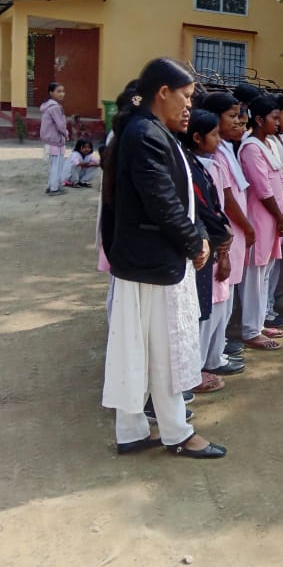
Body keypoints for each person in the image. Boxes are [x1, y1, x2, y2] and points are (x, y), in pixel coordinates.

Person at [100, 57, 226, 458]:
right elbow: (162, 203)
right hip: (154, 261)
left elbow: (176, 199)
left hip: (147, 260)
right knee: (164, 350)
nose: (189, 105)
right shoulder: (146, 134)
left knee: (141, 348)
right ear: (163, 92)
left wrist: (197, 235)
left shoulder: (150, 131)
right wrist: (195, 243)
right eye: (185, 96)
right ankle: (177, 433)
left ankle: (132, 430)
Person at [179, 109, 234, 393]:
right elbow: (202, 208)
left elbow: (213, 205)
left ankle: (198, 367)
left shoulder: (198, 164)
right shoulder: (188, 165)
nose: (219, 139)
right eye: (214, 134)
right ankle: (192, 372)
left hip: (211, 241)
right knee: (198, 310)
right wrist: (221, 234)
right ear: (198, 137)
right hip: (202, 244)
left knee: (207, 307)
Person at [200, 92, 253, 374]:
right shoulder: (214, 156)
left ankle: (217, 350)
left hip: (231, 232)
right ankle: (208, 359)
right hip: (224, 233)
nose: (238, 121)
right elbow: (227, 199)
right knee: (216, 297)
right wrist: (245, 225)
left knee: (226, 295)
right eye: (231, 116)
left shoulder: (226, 148)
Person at [238, 95, 283, 351]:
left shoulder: (271, 144)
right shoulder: (251, 148)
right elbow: (262, 189)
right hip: (260, 217)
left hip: (275, 217)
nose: (279, 123)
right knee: (254, 275)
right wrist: (280, 216)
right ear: (259, 119)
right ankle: (250, 329)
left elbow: (281, 181)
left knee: (266, 272)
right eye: (274, 118)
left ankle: (259, 323)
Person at [40, 81, 70, 195]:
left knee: (54, 166)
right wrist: (66, 133)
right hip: (55, 140)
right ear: (51, 93)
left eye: (63, 91)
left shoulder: (47, 106)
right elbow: (60, 125)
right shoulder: (55, 108)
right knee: (57, 166)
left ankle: (51, 186)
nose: (62, 94)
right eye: (59, 91)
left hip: (50, 141)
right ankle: (54, 188)